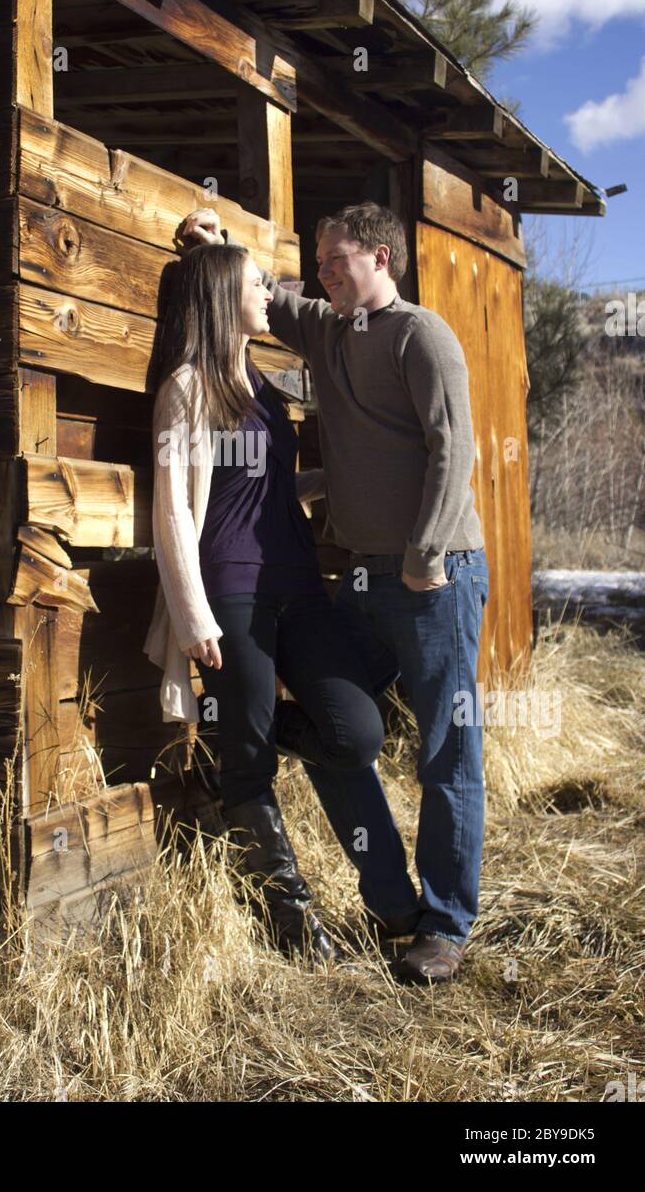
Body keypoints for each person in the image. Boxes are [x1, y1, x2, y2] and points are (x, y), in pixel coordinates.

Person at [172, 203, 489, 984]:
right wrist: (219, 247)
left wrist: (425, 554)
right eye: (318, 261)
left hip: (435, 576)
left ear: (380, 257)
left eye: (335, 259)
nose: (322, 272)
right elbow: (260, 296)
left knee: (448, 753)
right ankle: (391, 901)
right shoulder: (328, 329)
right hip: (357, 579)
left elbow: (457, 450)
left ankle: (446, 926)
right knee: (336, 730)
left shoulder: (423, 335)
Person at [143, 242, 385, 967]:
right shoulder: (186, 388)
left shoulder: (263, 385)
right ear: (224, 296)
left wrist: (332, 483)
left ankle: (242, 728)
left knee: (356, 732)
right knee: (252, 761)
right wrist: (191, 619)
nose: (271, 292)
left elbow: (269, 489)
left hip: (297, 582)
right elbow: (173, 514)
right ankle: (293, 922)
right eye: (259, 283)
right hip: (231, 590)